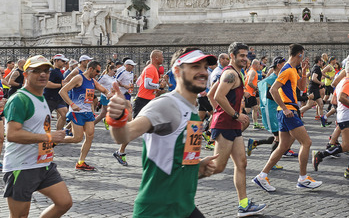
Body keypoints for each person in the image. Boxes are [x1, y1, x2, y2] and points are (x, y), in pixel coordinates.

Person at [107, 47, 265, 217]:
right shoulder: (165, 104)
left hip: (184, 207)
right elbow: (124, 135)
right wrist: (117, 118)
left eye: (205, 67)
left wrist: (198, 168)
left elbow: (179, 165)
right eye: (195, 67)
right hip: (158, 210)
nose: (203, 72)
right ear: (177, 70)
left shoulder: (193, 113)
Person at [3, 55, 72, 217]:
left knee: (64, 203)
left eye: (46, 71)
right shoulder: (19, 99)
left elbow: (41, 130)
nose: (43, 74)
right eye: (37, 71)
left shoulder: (41, 97)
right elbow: (12, 134)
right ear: (25, 74)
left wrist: (64, 138)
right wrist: (49, 137)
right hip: (22, 166)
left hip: (44, 164)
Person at [253, 44, 322, 192]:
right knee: (306, 143)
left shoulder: (292, 70)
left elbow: (302, 87)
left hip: (287, 111)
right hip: (288, 111)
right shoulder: (286, 70)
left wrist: (304, 71)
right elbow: (273, 89)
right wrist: (284, 108)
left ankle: (261, 176)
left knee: (283, 146)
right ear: (300, 54)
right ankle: (303, 178)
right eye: (303, 54)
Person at [208, 42, 263, 216]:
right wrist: (234, 115)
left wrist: (219, 112)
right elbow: (217, 96)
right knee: (217, 166)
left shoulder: (235, 73)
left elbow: (211, 95)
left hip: (231, 124)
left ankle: (244, 205)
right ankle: (179, 180)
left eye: (246, 55)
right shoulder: (231, 74)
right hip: (226, 124)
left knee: (242, 163)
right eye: (241, 55)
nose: (245, 59)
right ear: (232, 56)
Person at [313, 58, 349, 178]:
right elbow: (341, 98)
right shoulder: (348, 82)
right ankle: (321, 155)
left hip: (347, 115)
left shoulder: (343, 82)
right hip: (347, 118)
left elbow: (334, 100)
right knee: (346, 146)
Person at [59, 59, 109, 171]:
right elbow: (62, 91)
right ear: (90, 69)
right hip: (77, 112)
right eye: (97, 71)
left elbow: (103, 89)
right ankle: (53, 140)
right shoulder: (79, 78)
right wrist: (72, 104)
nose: (98, 74)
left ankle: (81, 162)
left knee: (90, 135)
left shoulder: (92, 80)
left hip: (87, 112)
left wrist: (108, 93)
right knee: (77, 138)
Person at [116, 51, 164, 161]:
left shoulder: (152, 69)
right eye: (161, 56)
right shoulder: (150, 68)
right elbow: (147, 84)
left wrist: (158, 88)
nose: (163, 58)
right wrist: (158, 85)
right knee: (134, 129)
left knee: (155, 127)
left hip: (149, 101)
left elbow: (139, 82)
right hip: (142, 102)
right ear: (155, 58)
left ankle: (155, 154)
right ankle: (120, 151)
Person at [44, 54, 69, 133]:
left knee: (65, 115)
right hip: (50, 97)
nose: (64, 63)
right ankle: (45, 134)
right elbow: (47, 84)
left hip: (58, 97)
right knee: (46, 118)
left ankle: (58, 132)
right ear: (56, 60)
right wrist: (61, 85)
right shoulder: (51, 71)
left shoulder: (58, 71)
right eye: (62, 61)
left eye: (65, 61)